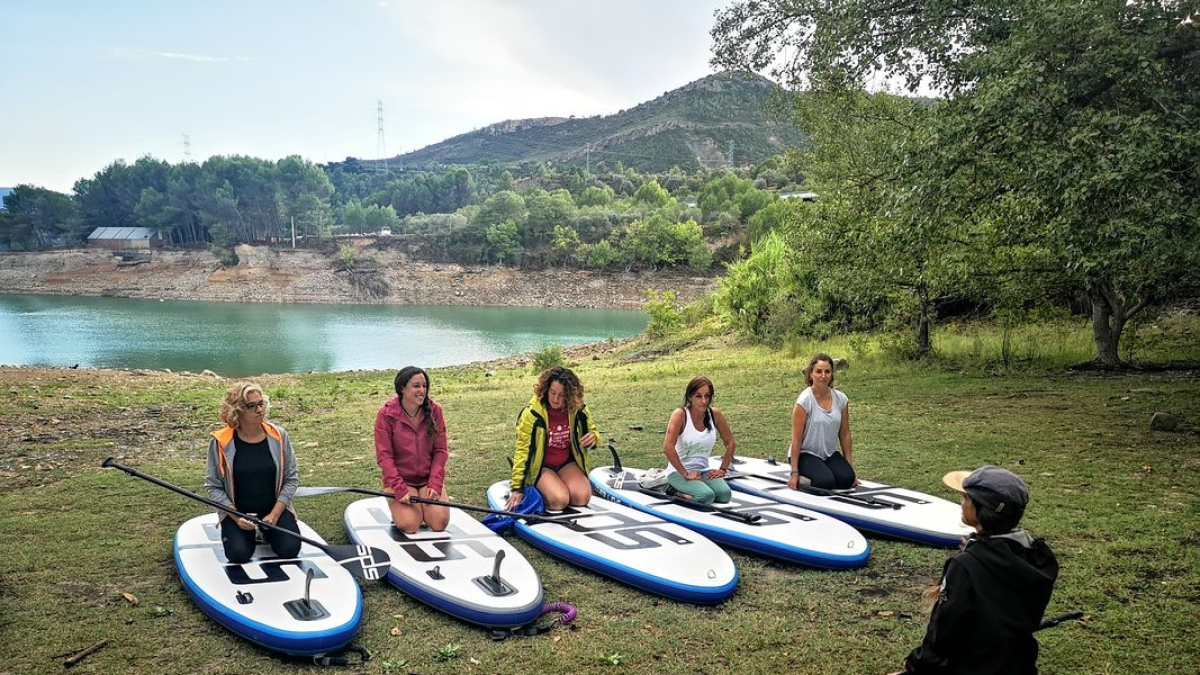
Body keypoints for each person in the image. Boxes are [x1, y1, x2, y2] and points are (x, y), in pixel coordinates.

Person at [888, 465, 1059, 675]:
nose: (961, 503)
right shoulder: (1039, 556)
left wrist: (914, 667)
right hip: (1019, 665)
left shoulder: (966, 566)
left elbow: (944, 634)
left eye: (965, 499)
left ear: (982, 510)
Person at [204, 382, 301, 564]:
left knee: (290, 549)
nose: (259, 410)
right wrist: (236, 517)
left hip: (273, 510)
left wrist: (274, 515)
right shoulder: (220, 442)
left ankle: (265, 531)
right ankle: (245, 532)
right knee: (238, 554)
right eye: (251, 406)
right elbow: (213, 486)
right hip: (237, 512)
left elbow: (291, 479)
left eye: (261, 403)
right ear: (237, 411)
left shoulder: (279, 436)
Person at [508, 366, 601, 512]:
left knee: (581, 498)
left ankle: (556, 484)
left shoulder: (578, 409)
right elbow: (522, 451)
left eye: (562, 395)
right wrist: (517, 488)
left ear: (570, 395)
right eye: (552, 393)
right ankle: (535, 489)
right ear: (545, 390)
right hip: (541, 467)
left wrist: (594, 438)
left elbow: (592, 431)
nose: (556, 399)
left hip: (566, 463)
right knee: (559, 501)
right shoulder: (531, 414)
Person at [375, 366, 450, 533]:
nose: (422, 390)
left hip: (427, 479)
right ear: (402, 388)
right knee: (409, 526)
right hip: (401, 481)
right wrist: (399, 488)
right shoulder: (386, 415)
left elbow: (440, 451)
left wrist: (436, 483)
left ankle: (424, 508)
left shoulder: (435, 411)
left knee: (439, 523)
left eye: (424, 386)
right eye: (416, 386)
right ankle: (401, 509)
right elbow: (384, 457)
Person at [660, 376, 736, 504]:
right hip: (678, 472)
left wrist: (723, 469)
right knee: (706, 497)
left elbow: (731, 443)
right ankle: (672, 489)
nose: (704, 401)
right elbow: (668, 448)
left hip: (703, 471)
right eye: (698, 396)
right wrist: (685, 474)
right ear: (690, 397)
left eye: (707, 396)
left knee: (725, 495)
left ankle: (697, 487)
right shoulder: (680, 415)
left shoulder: (714, 414)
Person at [788, 353, 856, 490]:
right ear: (811, 374)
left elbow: (845, 434)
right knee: (825, 483)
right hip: (805, 454)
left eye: (827, 371)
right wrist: (794, 472)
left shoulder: (841, 399)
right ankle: (804, 478)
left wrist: (850, 467)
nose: (823, 376)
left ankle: (826, 471)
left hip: (828, 454)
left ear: (832, 374)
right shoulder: (804, 401)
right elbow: (796, 439)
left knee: (847, 479)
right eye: (818, 371)